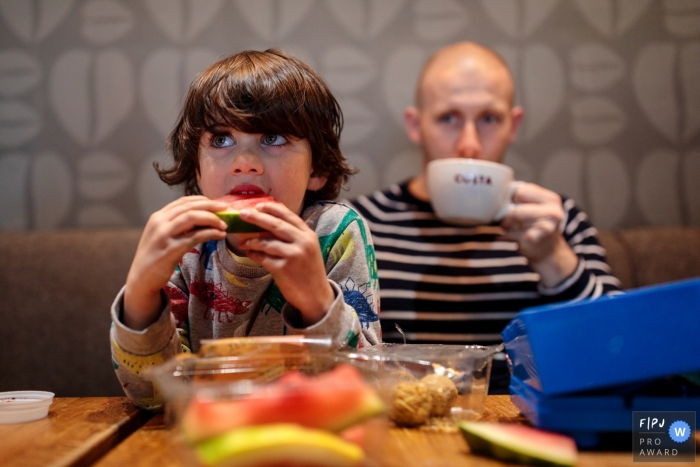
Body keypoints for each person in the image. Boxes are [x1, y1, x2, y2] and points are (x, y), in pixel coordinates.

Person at [111, 50, 381, 409]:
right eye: (221, 140)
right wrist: (141, 291)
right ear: (197, 169)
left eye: (273, 138)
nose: (245, 164)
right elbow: (154, 397)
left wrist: (317, 299)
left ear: (317, 169)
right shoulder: (186, 247)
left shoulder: (335, 232)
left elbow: (365, 388)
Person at [346, 42, 621, 393]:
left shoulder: (555, 220)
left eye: (489, 119)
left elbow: (620, 347)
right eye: (448, 118)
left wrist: (553, 259)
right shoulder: (361, 224)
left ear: (514, 124)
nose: (470, 145)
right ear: (416, 126)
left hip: (520, 418)